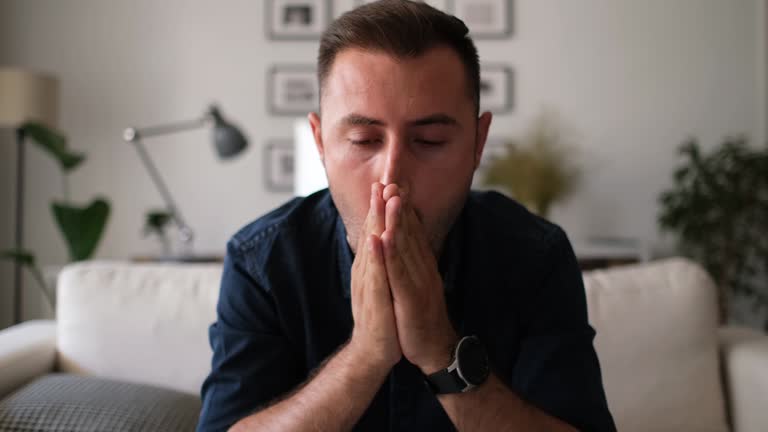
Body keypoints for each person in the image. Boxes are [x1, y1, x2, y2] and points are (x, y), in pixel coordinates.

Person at [197, 1, 616, 431]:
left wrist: (439, 349)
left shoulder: (534, 257)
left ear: (478, 142)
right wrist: (365, 356)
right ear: (321, 142)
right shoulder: (261, 262)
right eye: (363, 140)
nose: (392, 176)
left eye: (430, 141)